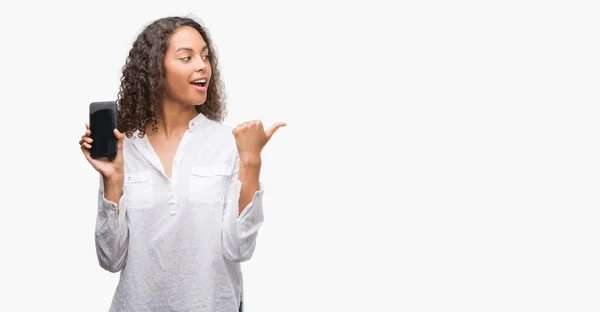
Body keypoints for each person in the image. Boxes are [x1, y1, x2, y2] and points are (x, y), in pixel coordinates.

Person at [78, 16, 285, 312]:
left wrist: (251, 160)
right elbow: (110, 259)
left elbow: (239, 248)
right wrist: (112, 179)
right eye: (186, 57)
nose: (202, 65)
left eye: (205, 56)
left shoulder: (229, 143)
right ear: (154, 71)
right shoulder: (126, 148)